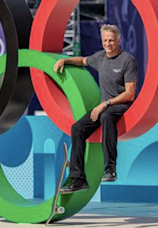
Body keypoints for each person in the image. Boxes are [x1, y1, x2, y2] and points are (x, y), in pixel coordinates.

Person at [53, 24, 138, 193]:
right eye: (105, 40)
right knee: (77, 128)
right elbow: (83, 60)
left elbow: (130, 94)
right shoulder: (100, 57)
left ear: (118, 40)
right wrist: (64, 60)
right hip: (104, 107)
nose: (108, 43)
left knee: (107, 116)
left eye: (111, 40)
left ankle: (110, 169)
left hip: (121, 106)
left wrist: (105, 104)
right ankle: (78, 179)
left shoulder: (128, 60)